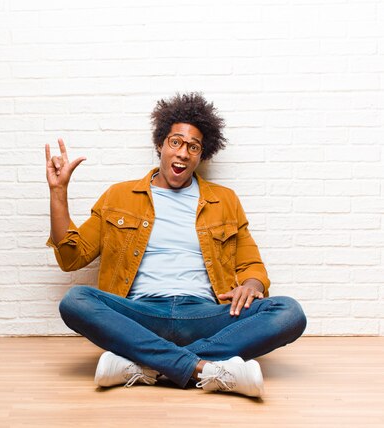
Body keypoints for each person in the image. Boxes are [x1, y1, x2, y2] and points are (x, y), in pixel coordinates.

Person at [44, 92, 307, 398]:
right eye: (176, 142)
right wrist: (58, 192)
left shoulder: (225, 200)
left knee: (289, 312)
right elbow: (70, 258)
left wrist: (251, 284)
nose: (183, 153)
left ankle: (146, 365)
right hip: (139, 315)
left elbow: (251, 265)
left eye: (193, 147)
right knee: (75, 300)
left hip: (204, 316)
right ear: (160, 144)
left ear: (201, 155)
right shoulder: (118, 196)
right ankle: (205, 370)